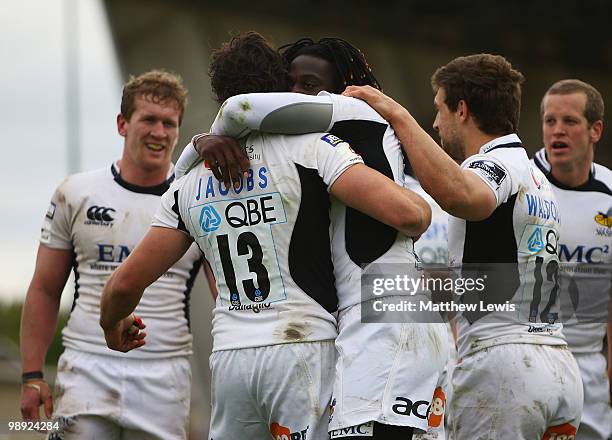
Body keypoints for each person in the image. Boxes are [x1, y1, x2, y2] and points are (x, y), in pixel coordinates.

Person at [99, 32, 432, 440]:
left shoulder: (185, 185)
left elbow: (123, 285)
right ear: (276, 88)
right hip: (303, 347)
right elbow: (412, 215)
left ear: (219, 92)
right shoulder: (314, 148)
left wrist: (113, 324)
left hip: (231, 360)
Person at [343, 54, 584, 439]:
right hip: (556, 365)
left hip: (503, 366)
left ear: (462, 109)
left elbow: (462, 195)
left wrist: (398, 116)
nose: (435, 123)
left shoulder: (496, 165)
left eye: (438, 110)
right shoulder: (537, 177)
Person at [19, 70, 203, 439]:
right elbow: (44, 288)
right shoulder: (76, 192)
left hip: (164, 375)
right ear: (123, 124)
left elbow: (225, 290)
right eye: (148, 119)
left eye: (169, 123)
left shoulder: (195, 197)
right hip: (86, 369)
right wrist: (32, 375)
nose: (159, 132)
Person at [533, 79, 612, 440]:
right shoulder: (519, 182)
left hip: (588, 373)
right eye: (550, 121)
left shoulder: (609, 197)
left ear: (595, 130)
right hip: (527, 358)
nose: (557, 131)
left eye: (569, 121)